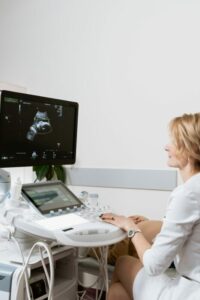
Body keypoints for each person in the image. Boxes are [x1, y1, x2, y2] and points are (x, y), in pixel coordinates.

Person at [101, 113, 200, 300]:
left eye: (173, 141)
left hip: (190, 291)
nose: (166, 146)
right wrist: (160, 223)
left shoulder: (187, 193)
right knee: (117, 292)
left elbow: (154, 266)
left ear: (190, 149)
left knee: (122, 262)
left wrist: (130, 227)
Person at [88, 216, 162, 265]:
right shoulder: (99, 248)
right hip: (162, 246)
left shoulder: (123, 226)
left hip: (165, 231)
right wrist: (127, 227)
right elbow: (117, 257)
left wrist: (135, 220)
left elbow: (145, 221)